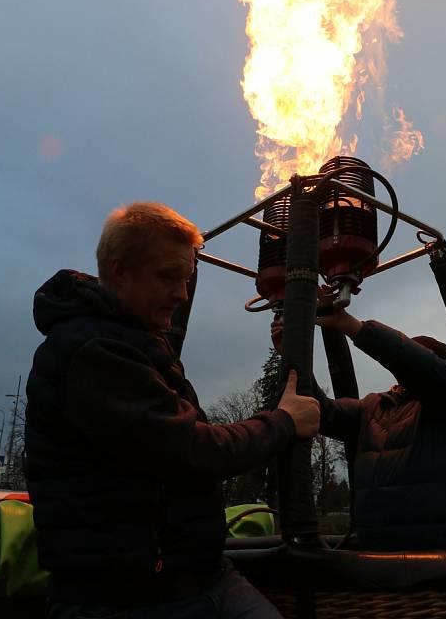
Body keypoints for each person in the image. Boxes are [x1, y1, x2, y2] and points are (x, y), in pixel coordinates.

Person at [25, 202, 320, 619]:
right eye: (168, 277)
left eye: (185, 280)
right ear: (120, 270)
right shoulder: (93, 352)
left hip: (197, 575)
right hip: (127, 597)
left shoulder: (133, 340)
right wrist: (284, 421)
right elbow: (192, 450)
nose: (181, 294)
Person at [271, 309, 446, 551]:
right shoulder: (372, 407)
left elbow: (415, 364)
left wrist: (347, 324)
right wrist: (291, 354)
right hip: (374, 552)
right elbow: (317, 412)